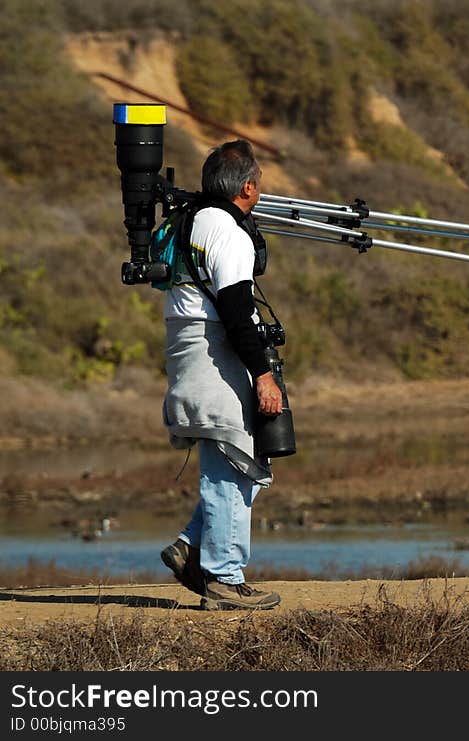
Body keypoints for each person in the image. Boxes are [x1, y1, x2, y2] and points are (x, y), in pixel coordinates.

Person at [159, 140, 283, 611]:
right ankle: (225, 578)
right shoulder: (229, 232)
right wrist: (263, 374)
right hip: (214, 346)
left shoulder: (189, 219)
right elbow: (236, 309)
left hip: (186, 341)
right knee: (231, 458)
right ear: (248, 187)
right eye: (259, 185)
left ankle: (191, 547)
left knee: (243, 456)